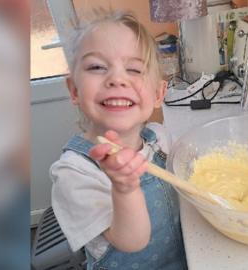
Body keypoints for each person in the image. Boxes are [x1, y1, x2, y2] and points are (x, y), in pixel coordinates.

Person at [49, 9, 188, 270]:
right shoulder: (74, 173)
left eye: (134, 69)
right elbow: (132, 242)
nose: (117, 79)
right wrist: (125, 188)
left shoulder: (159, 139)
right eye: (97, 67)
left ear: (159, 93)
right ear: (74, 90)